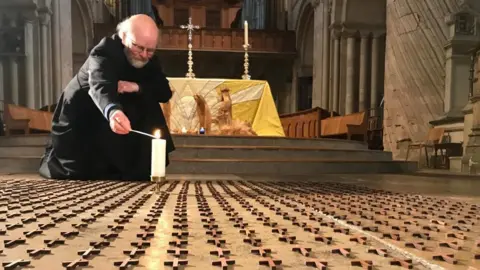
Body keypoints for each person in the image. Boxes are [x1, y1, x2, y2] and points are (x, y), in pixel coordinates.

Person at [39, 14, 175, 181]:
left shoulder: (149, 59)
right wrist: (113, 112)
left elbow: (164, 92)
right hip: (86, 115)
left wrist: (136, 87)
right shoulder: (103, 52)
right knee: (88, 171)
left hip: (117, 114)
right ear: (123, 37)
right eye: (138, 48)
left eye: (150, 50)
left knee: (148, 100)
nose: (144, 55)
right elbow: (100, 86)